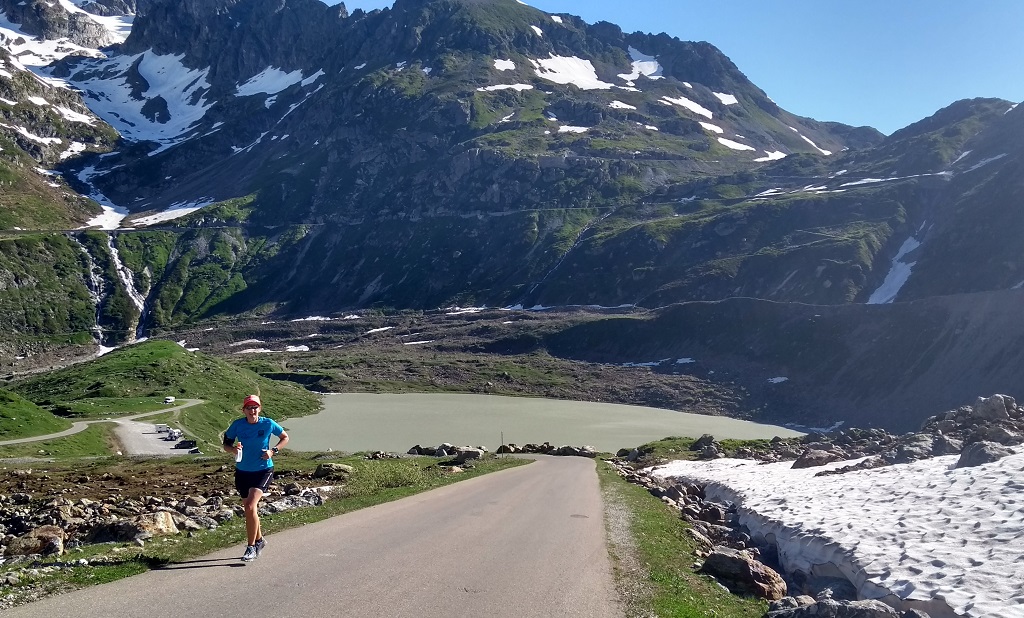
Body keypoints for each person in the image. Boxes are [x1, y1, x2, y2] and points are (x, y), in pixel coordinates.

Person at [223, 394, 289, 562]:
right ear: (244, 410)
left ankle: (251, 547)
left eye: (255, 407)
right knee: (249, 509)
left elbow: (285, 437)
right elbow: (226, 444)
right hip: (242, 471)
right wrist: (234, 450)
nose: (252, 410)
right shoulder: (237, 425)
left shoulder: (268, 423)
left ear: (259, 408)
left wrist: (272, 451)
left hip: (263, 470)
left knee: (251, 506)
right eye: (249, 407)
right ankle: (260, 540)